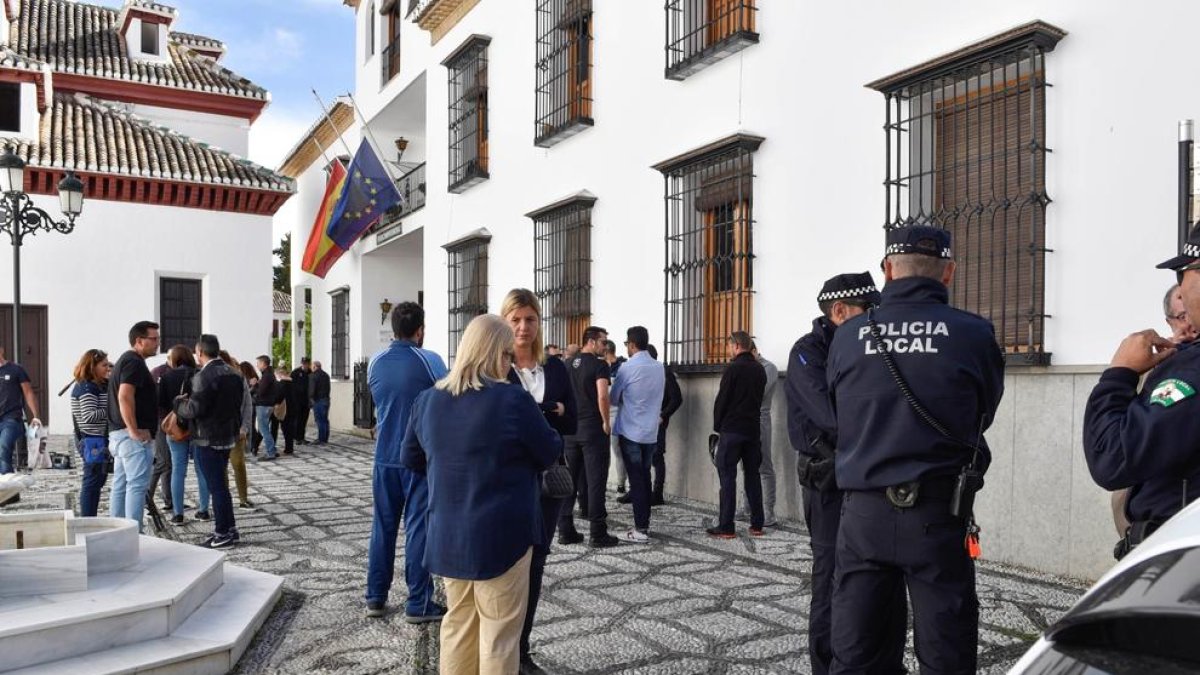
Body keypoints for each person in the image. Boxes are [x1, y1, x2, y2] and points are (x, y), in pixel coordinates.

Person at [826, 226, 1004, 674]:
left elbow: (837, 410)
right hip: (938, 514)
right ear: (948, 273)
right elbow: (985, 412)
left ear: (887, 270)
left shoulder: (848, 336)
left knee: (857, 652)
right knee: (946, 651)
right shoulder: (974, 333)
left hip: (862, 515)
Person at [400, 314, 561, 675]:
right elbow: (548, 450)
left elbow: (410, 457)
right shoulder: (512, 400)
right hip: (504, 535)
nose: (509, 364)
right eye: (507, 355)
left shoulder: (429, 400)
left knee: (458, 625)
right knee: (499, 633)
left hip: (448, 533)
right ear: (494, 354)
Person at [786, 271, 906, 675]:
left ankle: (883, 662)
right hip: (829, 480)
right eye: (868, 310)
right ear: (839, 312)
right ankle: (827, 663)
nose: (877, 317)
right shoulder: (808, 352)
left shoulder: (870, 346)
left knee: (881, 574)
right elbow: (832, 416)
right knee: (831, 576)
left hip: (869, 475)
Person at [1086, 227, 1200, 561]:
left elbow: (1112, 457)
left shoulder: (1190, 371)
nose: (1181, 285)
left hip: (1179, 562)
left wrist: (1119, 373)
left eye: (1184, 274)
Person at [500, 289, 578, 675]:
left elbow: (573, 421)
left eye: (529, 319)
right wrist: (549, 410)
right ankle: (500, 648)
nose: (523, 327)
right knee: (507, 562)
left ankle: (522, 650)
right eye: (515, 319)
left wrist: (539, 413)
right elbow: (502, 423)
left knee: (537, 562)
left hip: (548, 479)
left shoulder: (557, 368)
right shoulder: (497, 368)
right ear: (504, 321)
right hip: (510, 480)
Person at [365, 301, 449, 623]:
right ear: (421, 330)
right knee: (418, 528)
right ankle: (419, 602)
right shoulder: (430, 361)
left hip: (384, 457)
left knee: (382, 527)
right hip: (418, 457)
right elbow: (446, 399)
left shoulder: (376, 362)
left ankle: (375, 596)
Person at [1110, 283, 1197, 535]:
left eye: (1191, 313)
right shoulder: (1159, 360)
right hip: (1142, 496)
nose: (1189, 324)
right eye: (1181, 317)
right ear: (1168, 321)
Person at [173, 334, 246, 549]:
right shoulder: (234, 374)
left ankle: (222, 533)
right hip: (227, 435)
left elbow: (195, 409)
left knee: (217, 488)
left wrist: (178, 404)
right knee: (221, 485)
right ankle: (230, 529)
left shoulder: (203, 376)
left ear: (199, 352)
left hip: (207, 438)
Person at [559, 326, 618, 547]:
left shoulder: (566, 365)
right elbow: (603, 395)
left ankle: (565, 530)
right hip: (593, 428)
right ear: (591, 342)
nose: (606, 346)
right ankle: (597, 532)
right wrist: (606, 421)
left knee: (570, 481)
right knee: (595, 481)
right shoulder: (600, 365)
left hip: (571, 430)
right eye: (603, 342)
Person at [708, 331, 767, 538]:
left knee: (727, 477)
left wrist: (718, 426)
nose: (728, 350)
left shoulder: (733, 369)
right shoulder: (760, 370)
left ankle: (726, 526)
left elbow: (722, 400)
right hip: (752, 429)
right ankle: (757, 523)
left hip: (732, 430)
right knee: (753, 475)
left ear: (736, 345)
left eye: (729, 346)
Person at [611, 326, 665, 544]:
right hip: (651, 431)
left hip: (631, 430)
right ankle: (644, 524)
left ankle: (641, 529)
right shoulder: (659, 367)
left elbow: (614, 398)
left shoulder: (627, 367)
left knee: (637, 481)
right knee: (645, 476)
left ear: (631, 345)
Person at [107, 321, 161, 532]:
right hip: (130, 436)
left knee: (121, 484)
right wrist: (133, 430)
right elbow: (125, 395)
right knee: (137, 486)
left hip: (120, 435)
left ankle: (117, 529)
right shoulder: (133, 363)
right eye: (153, 339)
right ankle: (133, 533)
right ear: (139, 341)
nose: (157, 343)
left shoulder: (127, 361)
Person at [160, 345, 209, 524]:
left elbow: (163, 404)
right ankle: (204, 510)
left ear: (175, 359)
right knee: (201, 470)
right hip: (199, 429)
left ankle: (178, 514)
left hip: (176, 429)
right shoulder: (201, 374)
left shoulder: (166, 377)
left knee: (178, 470)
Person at [736, 343, 777, 526]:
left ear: (754, 351)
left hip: (760, 419)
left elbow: (756, 393)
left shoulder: (768, 367)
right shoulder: (745, 366)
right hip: (743, 418)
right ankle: (747, 507)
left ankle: (768, 511)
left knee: (764, 466)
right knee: (746, 466)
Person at [71, 349, 112, 517]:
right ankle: (87, 520)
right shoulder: (87, 387)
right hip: (91, 440)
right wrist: (112, 410)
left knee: (97, 480)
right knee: (92, 481)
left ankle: (90, 518)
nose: (108, 368)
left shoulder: (97, 385)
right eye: (104, 365)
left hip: (96, 439)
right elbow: (89, 417)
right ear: (92, 367)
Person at [644, 344, 681, 507]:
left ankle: (657, 493)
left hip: (657, 422)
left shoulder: (665, 373)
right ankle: (639, 490)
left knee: (657, 457)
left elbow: (677, 399)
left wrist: (663, 415)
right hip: (642, 421)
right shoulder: (644, 373)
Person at [0, 345, 41, 475]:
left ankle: (7, 485)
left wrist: (35, 416)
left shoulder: (16, 369)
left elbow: (28, 393)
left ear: (1, 350)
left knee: (3, 448)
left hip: (11, 418)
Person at [222, 351, 255, 509]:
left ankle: (243, 498)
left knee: (238, 464)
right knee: (221, 467)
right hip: (218, 431)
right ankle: (225, 497)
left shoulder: (238, 378)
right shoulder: (208, 378)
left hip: (236, 430)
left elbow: (248, 405)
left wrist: (245, 427)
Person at [148, 360, 174, 514]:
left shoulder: (158, 371)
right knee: (162, 462)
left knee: (167, 464)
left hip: (164, 421)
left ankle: (169, 500)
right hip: (160, 421)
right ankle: (147, 498)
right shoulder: (160, 373)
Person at [604, 339, 628, 493]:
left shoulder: (622, 367)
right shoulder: (602, 367)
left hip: (617, 415)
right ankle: (605, 483)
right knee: (605, 452)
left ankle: (620, 484)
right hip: (605, 414)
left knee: (617, 450)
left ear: (606, 352)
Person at [252, 355, 279, 460]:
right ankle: (272, 450)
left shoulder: (267, 376)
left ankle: (271, 452)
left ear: (264, 363)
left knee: (264, 430)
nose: (257, 365)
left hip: (263, 405)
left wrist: (255, 385)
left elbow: (261, 392)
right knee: (265, 429)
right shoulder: (269, 374)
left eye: (258, 363)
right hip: (268, 405)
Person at [273, 367, 298, 455]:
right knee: (289, 429)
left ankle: (288, 448)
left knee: (285, 428)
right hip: (293, 407)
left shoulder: (282, 383)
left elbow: (279, 396)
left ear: (279, 374)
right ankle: (289, 447)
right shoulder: (293, 382)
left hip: (285, 409)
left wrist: (275, 402)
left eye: (276, 375)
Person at [291, 357, 312, 445]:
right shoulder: (296, 372)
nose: (305, 365)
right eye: (303, 363)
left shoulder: (311, 373)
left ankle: (302, 437)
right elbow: (291, 385)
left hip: (306, 401)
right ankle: (296, 438)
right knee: (297, 419)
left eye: (306, 363)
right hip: (297, 401)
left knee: (304, 420)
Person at [311, 360, 332, 445]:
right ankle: (325, 438)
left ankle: (321, 439)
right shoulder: (326, 375)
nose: (311, 368)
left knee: (319, 420)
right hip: (326, 399)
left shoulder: (314, 376)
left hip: (318, 400)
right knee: (325, 420)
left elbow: (312, 390)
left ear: (315, 366)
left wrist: (311, 398)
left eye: (312, 366)